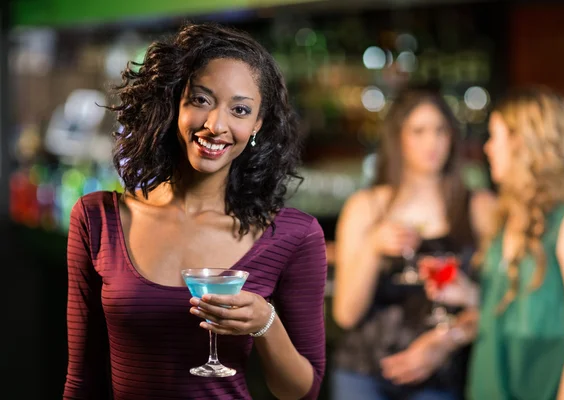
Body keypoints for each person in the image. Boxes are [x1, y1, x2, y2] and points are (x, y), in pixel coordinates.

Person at [63, 22, 327, 400]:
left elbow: (302, 391)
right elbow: (82, 381)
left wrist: (265, 323)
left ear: (256, 125)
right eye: (201, 100)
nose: (215, 125)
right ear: (175, 103)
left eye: (239, 109)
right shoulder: (97, 218)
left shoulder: (293, 236)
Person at [425, 86, 564, 400]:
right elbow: (517, 305)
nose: (488, 148)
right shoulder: (508, 217)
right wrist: (468, 293)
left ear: (524, 143)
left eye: (495, 136)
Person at [332, 87, 494, 400]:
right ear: (398, 138)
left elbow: (498, 300)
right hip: (363, 369)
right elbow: (346, 315)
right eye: (418, 131)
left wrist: (446, 341)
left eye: (440, 131)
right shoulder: (366, 207)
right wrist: (372, 247)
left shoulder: (479, 207)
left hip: (441, 372)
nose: (432, 142)